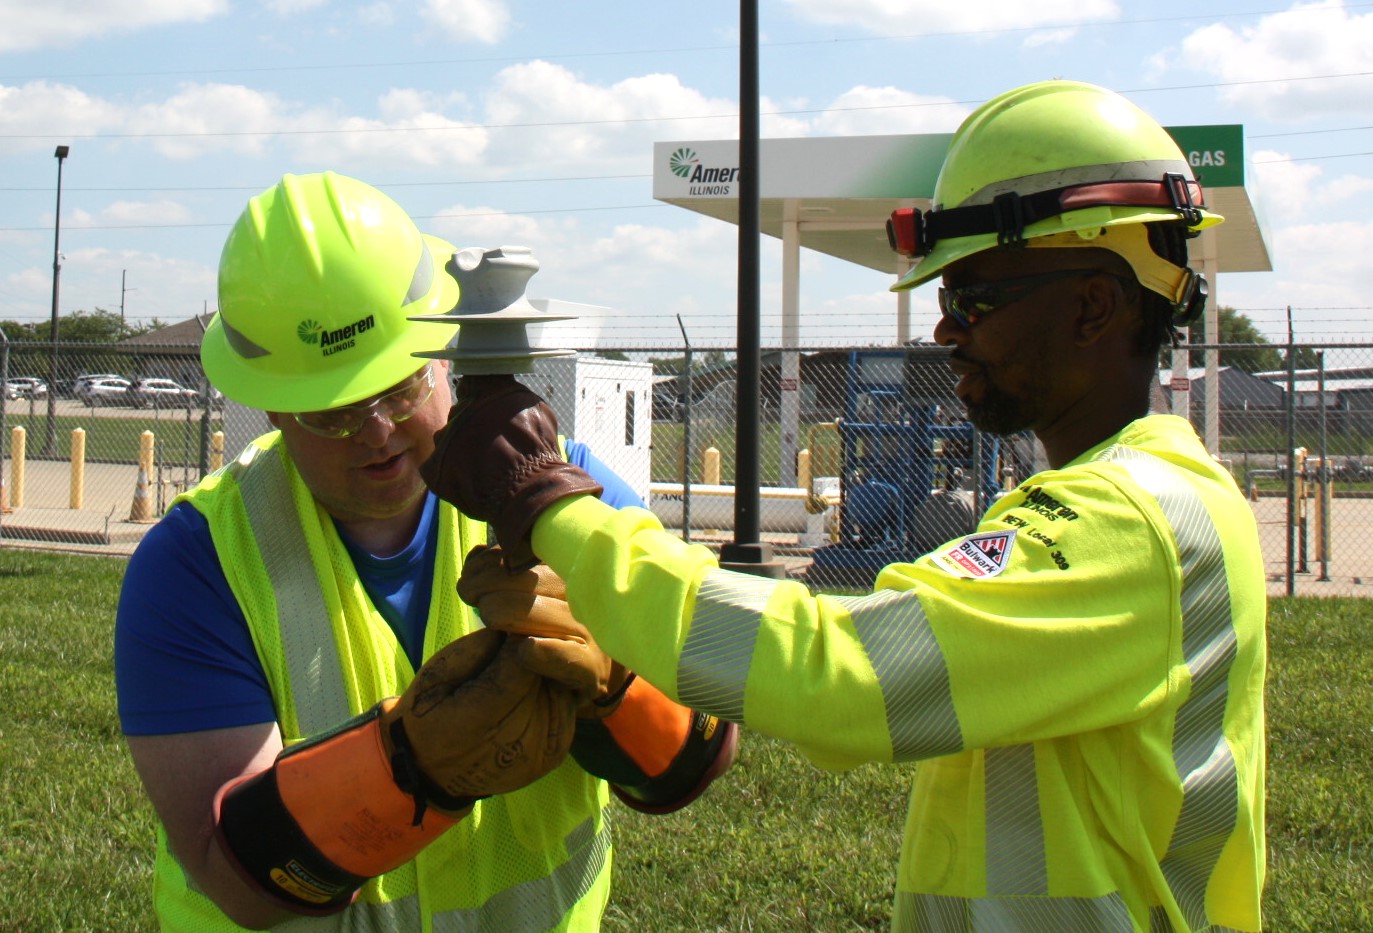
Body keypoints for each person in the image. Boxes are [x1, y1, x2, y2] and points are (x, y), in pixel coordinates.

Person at [422, 80, 1267, 932]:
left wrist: (551, 501)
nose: (946, 330)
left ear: (1092, 304)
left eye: (974, 296)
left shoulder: (1131, 521)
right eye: (944, 300)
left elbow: (841, 676)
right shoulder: (1141, 498)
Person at [114, 171, 736, 931]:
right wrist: (413, 765)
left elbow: (702, 752)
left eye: (400, 387)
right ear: (271, 403)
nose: (375, 428)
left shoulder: (569, 497)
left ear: (446, 352)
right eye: (331, 411)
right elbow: (235, 876)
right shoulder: (195, 566)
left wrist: (619, 686)